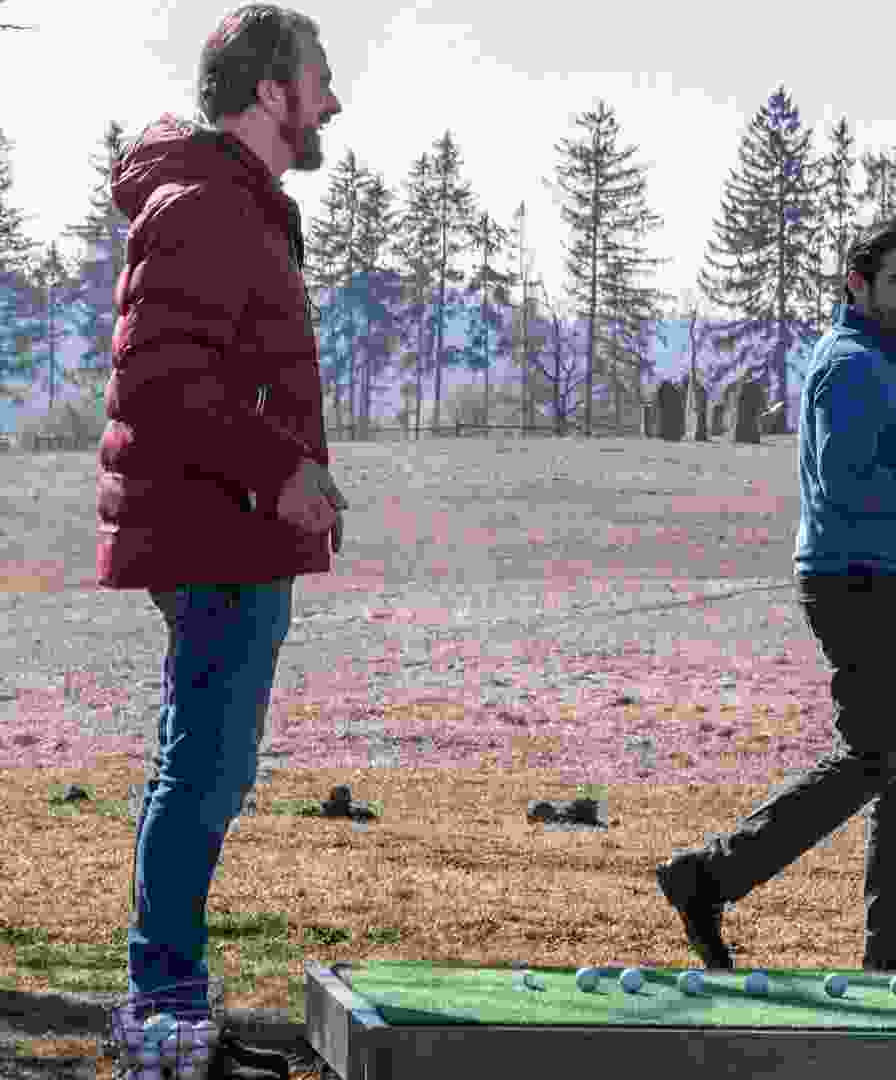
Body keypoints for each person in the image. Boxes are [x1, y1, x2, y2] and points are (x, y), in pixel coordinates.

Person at [99, 5, 344, 1075]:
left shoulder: (236, 203)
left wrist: (297, 472)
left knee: (205, 766)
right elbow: (161, 387)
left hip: (230, 524)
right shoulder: (207, 205)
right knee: (203, 771)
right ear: (270, 92)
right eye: (319, 81)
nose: (333, 102)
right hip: (214, 527)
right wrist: (278, 470)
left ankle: (170, 1010)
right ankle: (163, 1017)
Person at [655, 216, 896, 976]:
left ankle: (893, 938)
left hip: (880, 576)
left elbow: (870, 476)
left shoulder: (873, 361)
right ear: (857, 284)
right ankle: (709, 875)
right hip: (858, 582)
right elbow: (846, 486)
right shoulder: (851, 366)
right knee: (871, 758)